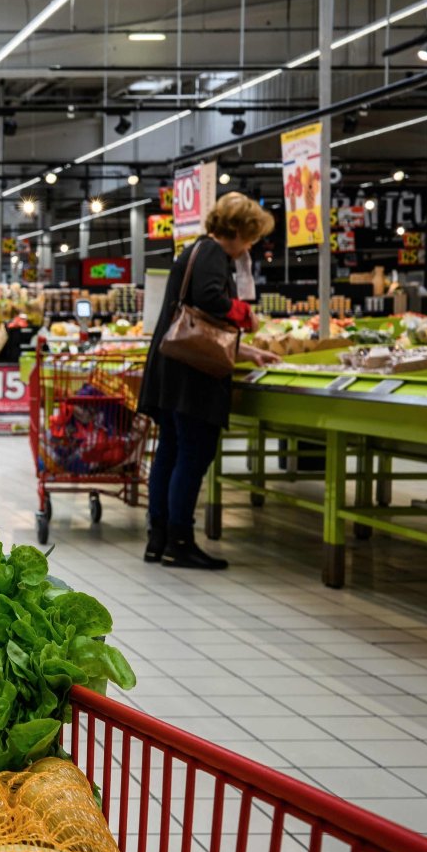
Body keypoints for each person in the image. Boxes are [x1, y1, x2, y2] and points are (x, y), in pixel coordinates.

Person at [139, 192, 282, 569]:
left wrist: (247, 352)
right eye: (251, 236)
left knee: (169, 452)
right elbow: (210, 302)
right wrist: (245, 315)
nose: (250, 245)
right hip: (192, 375)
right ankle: (180, 540)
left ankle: (159, 537)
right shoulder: (215, 254)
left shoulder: (194, 251)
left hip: (172, 366)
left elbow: (200, 323)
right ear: (237, 230)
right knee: (193, 453)